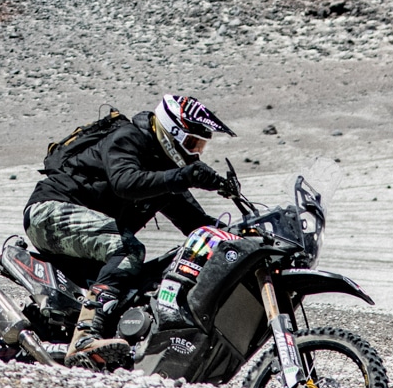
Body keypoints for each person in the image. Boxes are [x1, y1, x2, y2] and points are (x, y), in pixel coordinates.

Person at [22, 94, 236, 369]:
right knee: (128, 250)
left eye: (201, 146)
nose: (196, 154)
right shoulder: (129, 138)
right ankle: (85, 336)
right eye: (193, 143)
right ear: (173, 133)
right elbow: (125, 183)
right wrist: (184, 177)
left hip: (82, 231)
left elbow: (195, 223)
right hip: (50, 211)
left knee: (148, 278)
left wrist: (238, 235)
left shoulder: (164, 172)